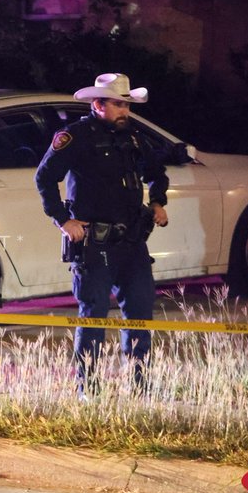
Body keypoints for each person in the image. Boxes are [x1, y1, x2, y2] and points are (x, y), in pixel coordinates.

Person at [34, 73, 169, 395]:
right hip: (94, 244)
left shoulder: (134, 137)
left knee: (139, 313)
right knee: (93, 316)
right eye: (119, 104)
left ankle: (140, 387)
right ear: (98, 104)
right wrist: (64, 221)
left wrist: (159, 201)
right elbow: (44, 178)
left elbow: (156, 173)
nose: (125, 111)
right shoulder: (74, 137)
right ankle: (88, 391)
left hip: (133, 243)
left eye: (127, 105)